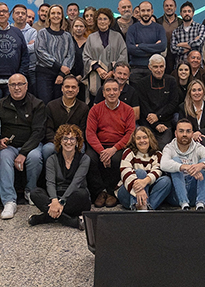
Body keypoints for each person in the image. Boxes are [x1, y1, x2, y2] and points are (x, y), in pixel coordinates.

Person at [0, 74, 47, 219]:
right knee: (4, 157)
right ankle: (9, 201)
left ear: (26, 86)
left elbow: (38, 132)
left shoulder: (37, 104)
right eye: (13, 85)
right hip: (9, 147)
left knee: (35, 157)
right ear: (8, 87)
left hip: (31, 145)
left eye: (20, 84)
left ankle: (30, 191)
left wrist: (24, 153)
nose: (17, 88)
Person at [85, 78, 135, 207]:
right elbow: (90, 133)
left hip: (119, 145)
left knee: (117, 159)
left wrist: (113, 149)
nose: (111, 93)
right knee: (89, 158)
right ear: (103, 93)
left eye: (114, 90)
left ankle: (112, 192)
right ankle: (100, 192)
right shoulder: (95, 110)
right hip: (99, 145)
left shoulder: (128, 110)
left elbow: (130, 134)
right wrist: (102, 152)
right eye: (108, 90)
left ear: (119, 92)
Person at [29, 124, 90, 229]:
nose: (68, 142)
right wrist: (54, 200)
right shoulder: (52, 159)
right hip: (56, 195)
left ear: (77, 142)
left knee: (82, 194)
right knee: (35, 193)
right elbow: (50, 182)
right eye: (65, 138)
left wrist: (62, 202)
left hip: (74, 196)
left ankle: (45, 218)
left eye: (72, 139)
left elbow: (76, 182)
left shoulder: (84, 159)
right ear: (60, 141)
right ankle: (70, 221)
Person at [161, 118, 205, 210]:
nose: (184, 134)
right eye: (181, 131)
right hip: (176, 196)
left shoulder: (198, 147)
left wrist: (201, 165)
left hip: (193, 192)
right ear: (175, 133)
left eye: (188, 131)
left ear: (192, 134)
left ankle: (200, 204)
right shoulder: (169, 147)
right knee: (175, 161)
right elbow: (163, 164)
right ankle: (184, 204)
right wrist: (183, 167)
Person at [117, 127, 172, 210]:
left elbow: (158, 171)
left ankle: (147, 208)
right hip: (128, 193)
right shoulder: (129, 152)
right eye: (138, 138)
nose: (142, 140)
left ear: (150, 139)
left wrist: (144, 182)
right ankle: (138, 205)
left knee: (166, 181)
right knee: (140, 172)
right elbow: (125, 171)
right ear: (134, 141)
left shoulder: (157, 154)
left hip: (148, 193)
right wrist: (139, 190)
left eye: (145, 137)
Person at [134, 54, 180, 145]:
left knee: (163, 146)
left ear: (165, 66)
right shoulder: (141, 83)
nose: (159, 70)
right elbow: (144, 106)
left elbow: (173, 103)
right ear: (149, 67)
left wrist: (158, 116)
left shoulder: (171, 81)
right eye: (155, 67)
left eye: (161, 66)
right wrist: (155, 124)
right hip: (147, 122)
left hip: (165, 122)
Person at [82, 8, 127, 99]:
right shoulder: (91, 38)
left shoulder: (118, 36)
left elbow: (123, 55)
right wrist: (98, 69)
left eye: (105, 19)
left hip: (114, 75)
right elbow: (86, 56)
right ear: (96, 21)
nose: (102, 22)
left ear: (110, 21)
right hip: (96, 75)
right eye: (100, 19)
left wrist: (112, 71)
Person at [34, 4, 75, 102]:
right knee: (45, 103)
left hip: (61, 75)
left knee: (59, 104)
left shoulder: (67, 36)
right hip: (44, 74)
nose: (56, 16)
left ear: (62, 16)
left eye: (58, 13)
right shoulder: (42, 33)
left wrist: (61, 74)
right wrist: (59, 66)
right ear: (49, 16)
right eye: (53, 13)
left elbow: (70, 56)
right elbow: (40, 51)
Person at [42, 75, 89, 160]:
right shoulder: (51, 106)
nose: (70, 90)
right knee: (47, 149)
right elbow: (48, 129)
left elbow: (82, 130)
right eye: (67, 87)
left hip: (75, 141)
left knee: (81, 148)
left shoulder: (84, 108)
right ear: (62, 88)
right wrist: (60, 142)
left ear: (78, 90)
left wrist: (71, 141)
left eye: (73, 87)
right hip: (55, 141)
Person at [127, 1, 168, 82]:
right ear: (139, 12)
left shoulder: (159, 28)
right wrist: (154, 48)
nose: (146, 13)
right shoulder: (132, 29)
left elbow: (162, 46)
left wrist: (140, 46)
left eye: (148, 10)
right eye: (143, 11)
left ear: (152, 11)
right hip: (136, 69)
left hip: (154, 69)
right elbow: (131, 49)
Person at [182, 79, 205, 152]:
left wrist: (200, 132)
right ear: (189, 93)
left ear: (203, 92)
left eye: (199, 90)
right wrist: (193, 135)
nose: (197, 93)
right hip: (189, 140)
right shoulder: (183, 108)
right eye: (194, 90)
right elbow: (182, 127)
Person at [170, 1, 205, 66]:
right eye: (184, 11)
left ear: (193, 13)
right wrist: (191, 45)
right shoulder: (176, 31)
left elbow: (198, 43)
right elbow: (173, 49)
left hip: (197, 66)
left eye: (189, 11)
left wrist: (181, 44)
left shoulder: (200, 27)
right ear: (181, 14)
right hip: (181, 67)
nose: (187, 13)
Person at [11, 4, 38, 86]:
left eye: (23, 13)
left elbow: (34, 48)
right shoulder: (7, 31)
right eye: (17, 13)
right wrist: (26, 45)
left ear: (26, 16)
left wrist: (14, 48)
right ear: (12, 16)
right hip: (12, 69)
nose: (20, 15)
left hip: (30, 70)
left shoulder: (33, 32)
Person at [69, 17, 90, 97]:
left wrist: (81, 75)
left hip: (84, 78)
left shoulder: (89, 42)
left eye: (81, 26)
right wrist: (69, 75)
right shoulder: (68, 41)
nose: (78, 28)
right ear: (72, 27)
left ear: (85, 28)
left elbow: (89, 60)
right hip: (68, 76)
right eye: (76, 26)